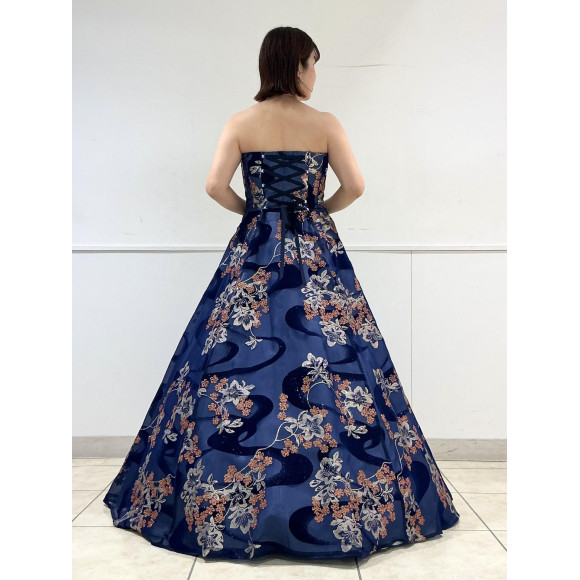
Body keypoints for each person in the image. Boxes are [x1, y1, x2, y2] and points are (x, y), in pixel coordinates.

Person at [103, 25, 460, 561]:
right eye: (312, 63)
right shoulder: (326, 124)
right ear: (295, 65)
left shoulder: (241, 122)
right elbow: (356, 186)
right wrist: (315, 214)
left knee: (227, 359)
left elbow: (214, 185)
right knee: (334, 357)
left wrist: (255, 214)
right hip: (315, 251)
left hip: (255, 250)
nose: (315, 74)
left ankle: (222, 494)